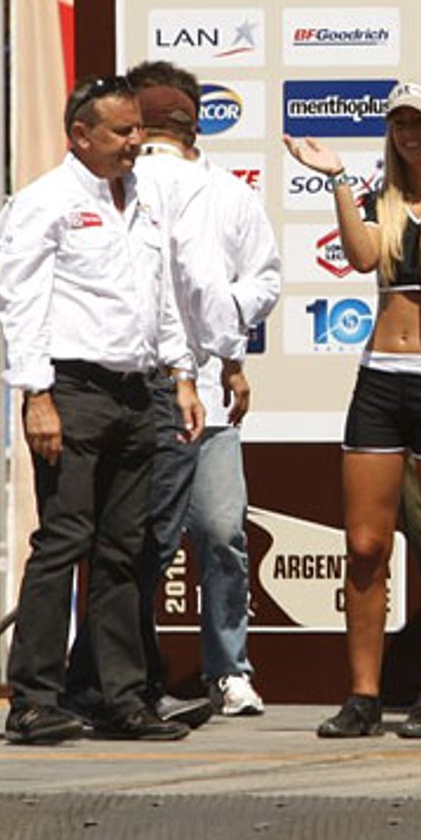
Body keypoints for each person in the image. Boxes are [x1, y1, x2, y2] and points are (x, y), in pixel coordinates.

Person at [0, 74, 204, 746]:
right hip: (73, 389)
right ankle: (32, 699)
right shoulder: (44, 202)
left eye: (139, 128)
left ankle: (119, 696)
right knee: (63, 541)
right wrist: (37, 395)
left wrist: (183, 376)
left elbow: (161, 294)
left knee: (126, 550)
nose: (136, 141)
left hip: (139, 390)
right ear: (80, 135)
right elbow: (20, 301)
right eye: (121, 131)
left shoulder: (143, 195)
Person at [286, 78, 421, 739]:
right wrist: (339, 179)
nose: (412, 134)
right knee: (365, 545)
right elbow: (359, 257)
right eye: (401, 123)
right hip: (380, 376)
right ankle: (364, 696)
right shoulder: (378, 188)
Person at [128, 63, 282, 719]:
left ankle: (228, 669)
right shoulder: (118, 187)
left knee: (221, 532)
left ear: (189, 126)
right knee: (143, 544)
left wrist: (226, 328)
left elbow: (268, 278)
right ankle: (133, 674)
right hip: (136, 394)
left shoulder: (229, 193)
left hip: (210, 397)